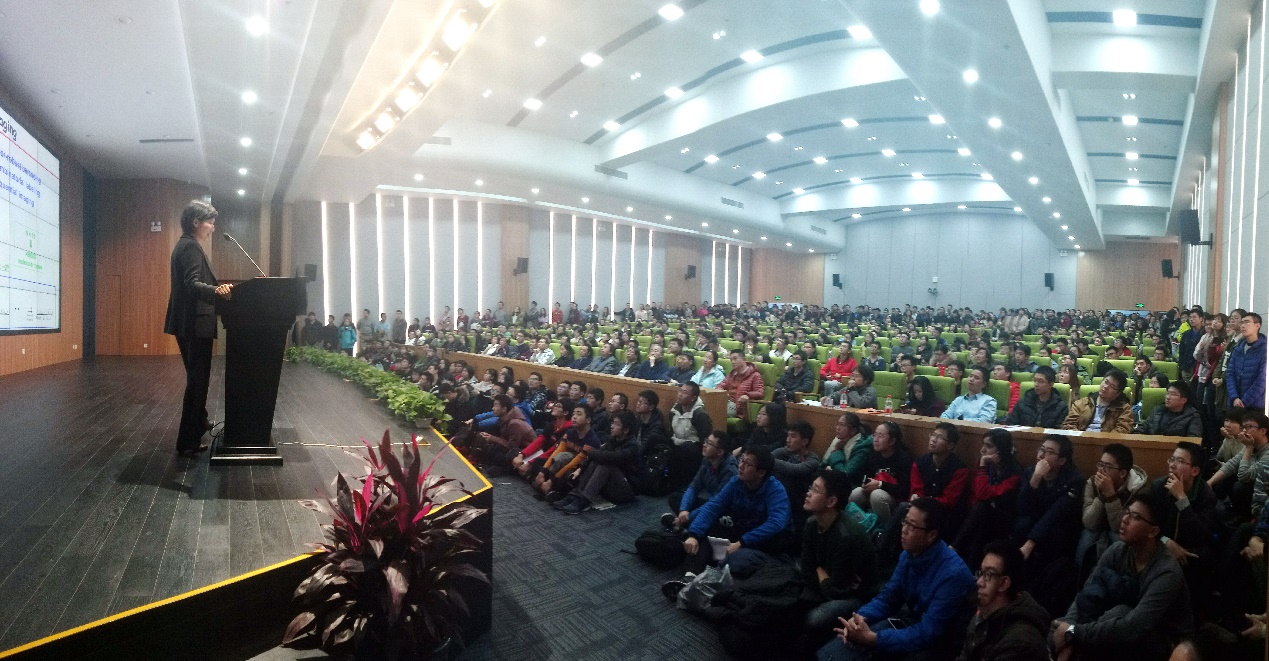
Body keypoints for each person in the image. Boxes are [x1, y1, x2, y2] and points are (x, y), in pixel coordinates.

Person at [818, 498, 976, 661]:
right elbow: (888, 599)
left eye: (912, 526)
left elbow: (929, 633)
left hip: (941, 644)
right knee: (845, 643)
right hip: (913, 622)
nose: (904, 530)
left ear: (931, 535)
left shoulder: (952, 575)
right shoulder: (908, 554)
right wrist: (859, 618)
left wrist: (874, 639)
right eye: (904, 522)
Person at [1051, 494, 1194, 661]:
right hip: (1119, 625)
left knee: (1117, 614)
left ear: (1153, 531)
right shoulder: (1117, 550)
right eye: (1127, 512)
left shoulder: (1167, 572)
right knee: (1056, 627)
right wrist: (1067, 628)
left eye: (1135, 517)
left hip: (1165, 643)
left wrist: (1073, 633)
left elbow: (1132, 627)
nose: (1125, 519)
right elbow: (1086, 595)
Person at [164, 200, 234, 457]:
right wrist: (216, 291)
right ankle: (187, 440)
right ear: (196, 222)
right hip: (194, 323)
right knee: (197, 382)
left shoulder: (185, 245)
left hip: (189, 323)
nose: (213, 228)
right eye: (210, 223)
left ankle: (199, 422)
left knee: (197, 380)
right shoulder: (190, 247)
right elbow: (192, 284)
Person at [797, 470, 882, 655]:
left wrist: (818, 569)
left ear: (831, 501)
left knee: (813, 619)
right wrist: (821, 572)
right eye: (811, 487)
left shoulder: (846, 535)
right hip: (832, 584)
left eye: (815, 490)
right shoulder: (811, 524)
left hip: (859, 596)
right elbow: (806, 570)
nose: (808, 493)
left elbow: (834, 591)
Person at [681, 446, 793, 576]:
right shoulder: (736, 482)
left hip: (769, 540)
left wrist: (742, 542)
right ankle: (690, 575)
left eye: (747, 464)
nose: (740, 466)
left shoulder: (776, 490)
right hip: (744, 530)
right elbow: (713, 507)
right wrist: (694, 534)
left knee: (737, 561)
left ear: (761, 472)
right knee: (705, 531)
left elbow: (776, 524)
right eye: (741, 460)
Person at [954, 541, 1049, 661]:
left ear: (1004, 583)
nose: (979, 582)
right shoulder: (984, 613)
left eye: (988, 574)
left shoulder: (1020, 643)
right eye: (981, 573)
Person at [952, 429, 1023, 569]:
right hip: (981, 515)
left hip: (1004, 518)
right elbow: (975, 493)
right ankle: (968, 568)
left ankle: (954, 548)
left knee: (982, 509)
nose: (983, 450)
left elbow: (983, 494)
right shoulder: (984, 464)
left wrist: (983, 465)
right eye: (983, 444)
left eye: (989, 446)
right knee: (979, 517)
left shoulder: (1014, 472)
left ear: (1001, 450)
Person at [1014, 435, 1084, 571]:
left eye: (1049, 452)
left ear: (1062, 460)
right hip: (1036, 520)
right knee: (1022, 524)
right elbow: (1022, 508)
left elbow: (1056, 513)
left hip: (1059, 525)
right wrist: (1036, 478)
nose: (1041, 455)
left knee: (1056, 535)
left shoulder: (1074, 480)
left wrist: (1030, 543)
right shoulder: (1030, 472)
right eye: (1041, 449)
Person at [1076, 443, 1148, 573]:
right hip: (1096, 528)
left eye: (1107, 467)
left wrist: (1110, 495)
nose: (1100, 471)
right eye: (1100, 464)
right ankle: (1080, 578)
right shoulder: (1092, 482)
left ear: (1122, 473)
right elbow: (1089, 523)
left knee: (1117, 538)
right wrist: (1102, 495)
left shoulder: (1138, 490)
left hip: (1120, 531)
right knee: (1088, 537)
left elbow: (1118, 526)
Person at [554, 410, 641, 514]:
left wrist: (591, 451)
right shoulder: (613, 440)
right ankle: (575, 495)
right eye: (612, 423)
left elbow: (613, 457)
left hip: (627, 490)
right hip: (611, 485)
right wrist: (581, 468)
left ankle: (584, 500)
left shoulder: (632, 446)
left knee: (606, 465)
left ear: (626, 430)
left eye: (616, 424)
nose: (612, 426)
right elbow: (596, 455)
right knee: (596, 461)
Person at [663, 431, 737, 528]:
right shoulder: (707, 460)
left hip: (724, 509)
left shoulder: (730, 470)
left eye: (709, 443)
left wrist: (690, 516)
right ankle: (687, 524)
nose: (704, 445)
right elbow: (694, 487)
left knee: (719, 521)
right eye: (706, 441)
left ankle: (683, 524)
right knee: (675, 498)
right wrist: (684, 509)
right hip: (711, 503)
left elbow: (717, 502)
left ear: (720, 452)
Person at [849, 422, 914, 528]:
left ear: (892, 441)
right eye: (875, 435)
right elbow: (863, 475)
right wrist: (865, 483)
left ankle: (884, 531)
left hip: (895, 498)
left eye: (880, 436)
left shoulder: (904, 458)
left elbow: (904, 490)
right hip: (874, 491)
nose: (875, 439)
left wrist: (880, 485)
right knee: (857, 493)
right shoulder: (873, 455)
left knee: (877, 495)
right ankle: (857, 528)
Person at [1208, 409, 1269, 518]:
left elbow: (1244, 476)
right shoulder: (1251, 444)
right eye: (1244, 427)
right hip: (1254, 485)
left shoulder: (1264, 451)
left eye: (1249, 427)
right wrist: (1210, 482)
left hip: (1263, 492)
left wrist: (1248, 447)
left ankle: (1246, 519)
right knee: (1222, 474)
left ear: (1263, 431)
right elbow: (1231, 463)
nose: (1244, 431)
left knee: (1239, 486)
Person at [1063, 369, 1133, 433]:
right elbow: (1069, 425)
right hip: (1080, 439)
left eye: (1112, 386)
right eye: (1106, 382)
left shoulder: (1124, 409)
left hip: (1107, 441)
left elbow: (1122, 431)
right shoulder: (1081, 403)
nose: (1106, 387)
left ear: (1118, 393)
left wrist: (1101, 440)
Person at [1134, 382, 1203, 437]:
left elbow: (1193, 440)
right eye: (1167, 393)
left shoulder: (1192, 416)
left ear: (1183, 400)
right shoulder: (1157, 411)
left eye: (1173, 394)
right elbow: (1143, 427)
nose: (1168, 397)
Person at [1226, 312, 1265, 410]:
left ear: (1257, 326)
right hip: (1235, 401)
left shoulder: (1265, 349)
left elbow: (1262, 379)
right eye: (1242, 323)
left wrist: (1245, 401)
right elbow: (1230, 373)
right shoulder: (1238, 347)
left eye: (1247, 322)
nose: (1242, 326)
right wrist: (1234, 397)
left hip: (1255, 404)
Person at [822, 412, 873, 485]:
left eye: (842, 425)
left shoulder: (862, 449)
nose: (837, 428)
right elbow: (823, 465)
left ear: (853, 431)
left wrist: (837, 451)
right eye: (837, 424)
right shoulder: (838, 440)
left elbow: (845, 474)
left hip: (851, 485)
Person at [720, 349, 765, 419]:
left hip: (738, 407)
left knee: (716, 413)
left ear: (744, 359)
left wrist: (748, 395)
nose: (732, 362)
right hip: (726, 402)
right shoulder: (732, 374)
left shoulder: (755, 375)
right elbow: (721, 385)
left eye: (735, 359)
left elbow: (760, 393)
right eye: (731, 360)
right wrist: (720, 391)